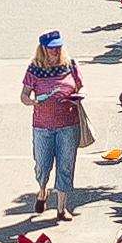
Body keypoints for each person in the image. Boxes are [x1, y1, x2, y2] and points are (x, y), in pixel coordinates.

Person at [20, 31, 86, 223]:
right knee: (42, 165)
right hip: (42, 125)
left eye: (58, 47)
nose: (56, 51)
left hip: (68, 124)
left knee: (66, 166)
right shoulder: (35, 69)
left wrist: (79, 96)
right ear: (43, 49)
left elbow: (82, 86)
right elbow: (23, 95)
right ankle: (43, 190)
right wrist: (32, 101)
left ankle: (61, 208)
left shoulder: (70, 66)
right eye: (52, 48)